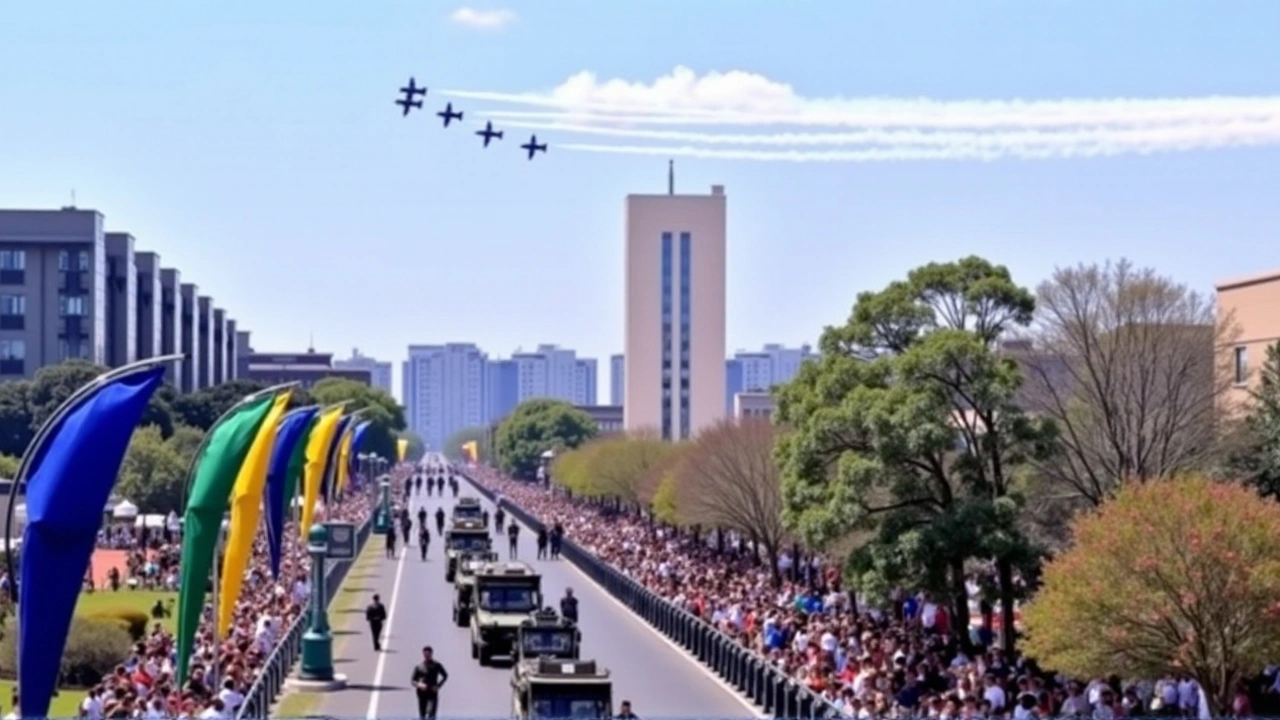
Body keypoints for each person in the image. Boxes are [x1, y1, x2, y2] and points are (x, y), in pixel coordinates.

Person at [411, 645, 449, 720]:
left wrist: (438, 686)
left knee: (432, 714)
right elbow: (412, 680)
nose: (427, 656)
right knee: (422, 714)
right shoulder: (419, 667)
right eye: (425, 654)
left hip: (432, 692)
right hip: (422, 693)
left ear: (431, 654)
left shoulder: (437, 665)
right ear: (423, 655)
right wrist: (419, 684)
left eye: (429, 654)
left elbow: (445, 675)